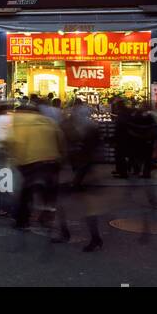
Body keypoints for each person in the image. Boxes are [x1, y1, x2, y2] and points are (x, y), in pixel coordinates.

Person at [7, 103, 63, 234]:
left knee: (26, 192)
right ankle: (47, 214)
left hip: (31, 161)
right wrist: (61, 158)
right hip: (52, 159)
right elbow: (60, 138)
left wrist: (18, 161)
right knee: (48, 190)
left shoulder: (19, 120)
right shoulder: (48, 121)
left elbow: (16, 141)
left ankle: (22, 221)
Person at [61, 99, 106, 251]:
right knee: (86, 206)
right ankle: (95, 237)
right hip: (84, 171)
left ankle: (67, 233)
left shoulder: (71, 127)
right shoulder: (93, 127)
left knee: (67, 203)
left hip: (77, 171)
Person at [112, 100, 133, 178]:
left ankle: (123, 172)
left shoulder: (122, 114)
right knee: (122, 155)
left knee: (120, 155)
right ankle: (121, 170)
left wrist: (115, 137)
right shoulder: (126, 112)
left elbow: (120, 126)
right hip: (126, 136)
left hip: (122, 137)